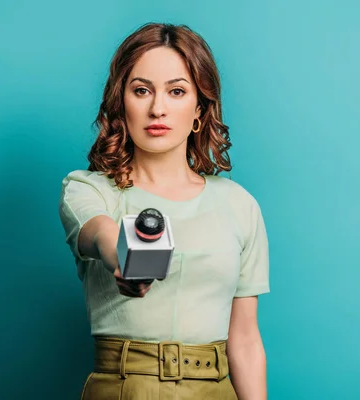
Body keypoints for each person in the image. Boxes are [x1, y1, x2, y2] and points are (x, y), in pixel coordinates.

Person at [59, 22, 270, 400]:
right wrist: (121, 256)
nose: (157, 108)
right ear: (121, 104)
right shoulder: (88, 188)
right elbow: (99, 231)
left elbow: (245, 339)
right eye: (142, 91)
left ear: (199, 111)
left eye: (176, 91)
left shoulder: (239, 205)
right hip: (123, 388)